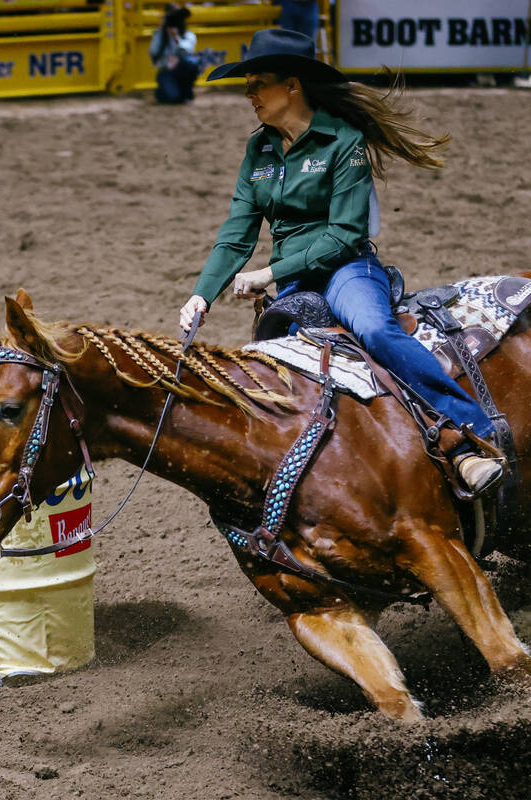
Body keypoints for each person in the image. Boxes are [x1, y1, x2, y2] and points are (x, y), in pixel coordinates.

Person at [177, 29, 504, 494]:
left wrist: (269, 273)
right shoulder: (260, 149)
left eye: (258, 83)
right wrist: (200, 296)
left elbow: (344, 233)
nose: (248, 94)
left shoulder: (343, 141)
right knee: (279, 371)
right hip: (296, 285)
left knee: (373, 330)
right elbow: (237, 233)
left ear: (293, 85)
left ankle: (472, 434)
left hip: (348, 270)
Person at [149, 5, 199, 104]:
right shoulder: (160, 34)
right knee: (173, 98)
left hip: (181, 71)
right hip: (166, 71)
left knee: (192, 63)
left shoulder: (188, 35)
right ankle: (164, 92)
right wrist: (161, 31)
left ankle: (186, 93)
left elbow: (187, 49)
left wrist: (176, 37)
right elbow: (153, 52)